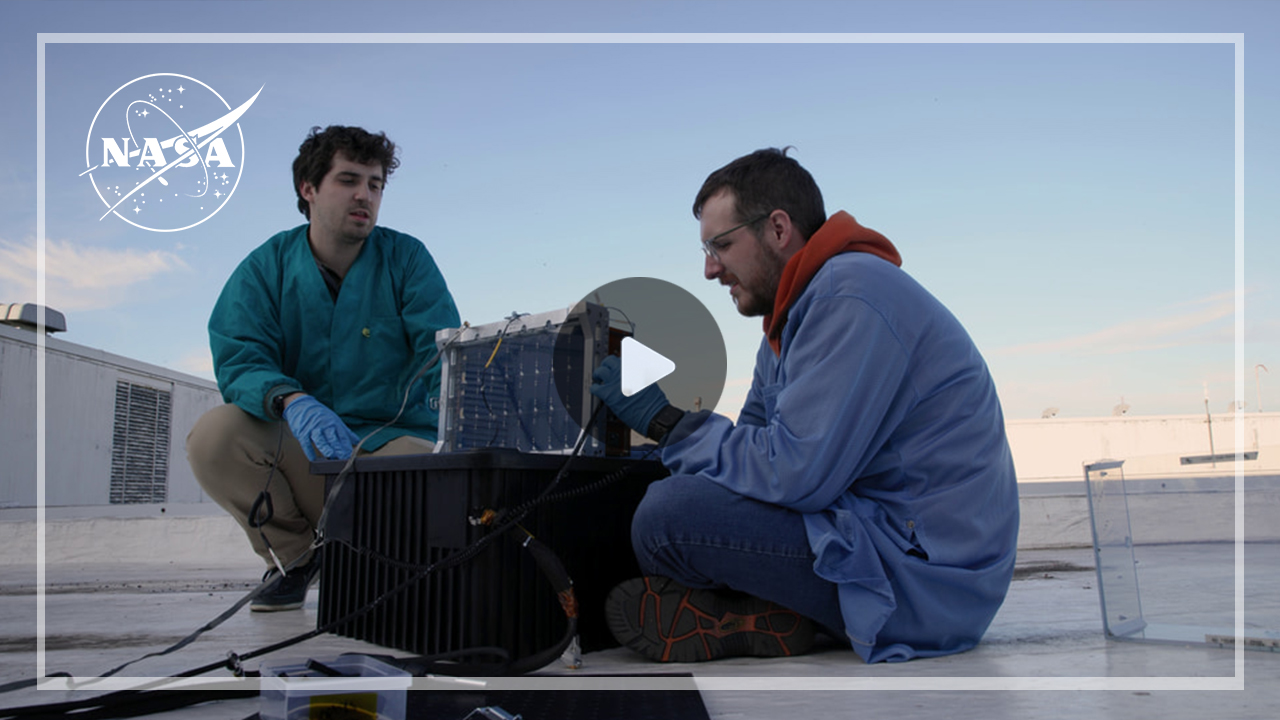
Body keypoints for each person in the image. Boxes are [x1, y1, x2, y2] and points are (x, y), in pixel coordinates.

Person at [590, 148, 1019, 663]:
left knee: (668, 518)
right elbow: (751, 448)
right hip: (881, 541)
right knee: (662, 491)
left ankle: (753, 612)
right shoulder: (790, 323)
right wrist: (659, 451)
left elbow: (797, 474)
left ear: (777, 229)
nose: (709, 269)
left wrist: (668, 424)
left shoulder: (850, 295)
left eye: (721, 245)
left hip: (928, 582)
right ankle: (771, 617)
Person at [187, 126, 460, 611]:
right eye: (348, 180)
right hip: (306, 451)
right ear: (308, 189)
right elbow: (240, 354)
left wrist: (458, 430)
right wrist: (290, 401)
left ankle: (381, 561)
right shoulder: (264, 268)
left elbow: (442, 354)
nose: (365, 195)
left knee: (435, 482)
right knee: (216, 435)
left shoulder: (407, 259)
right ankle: (296, 558)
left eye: (375, 185)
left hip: (389, 452)